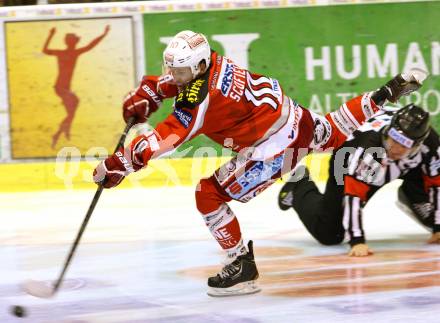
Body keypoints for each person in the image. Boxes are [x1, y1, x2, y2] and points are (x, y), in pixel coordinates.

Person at [92, 30, 423, 296]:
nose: (173, 75)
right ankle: (386, 93)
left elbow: (163, 139)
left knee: (208, 195)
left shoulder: (200, 99)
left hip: (272, 148)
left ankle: (241, 265)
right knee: (335, 128)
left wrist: (118, 165)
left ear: (200, 67)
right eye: (172, 68)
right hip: (295, 118)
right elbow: (174, 82)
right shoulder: (213, 63)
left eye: (180, 71)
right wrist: (150, 92)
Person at [278, 104, 440, 257]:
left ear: (418, 145)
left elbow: (437, 184)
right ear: (388, 131)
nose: (395, 149)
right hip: (347, 158)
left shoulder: (431, 145)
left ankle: (411, 195)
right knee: (329, 234)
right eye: (393, 139)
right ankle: (299, 185)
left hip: (405, 164)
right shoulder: (369, 152)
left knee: (433, 217)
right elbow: (354, 196)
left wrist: (438, 226)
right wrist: (357, 241)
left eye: (404, 145)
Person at [42, 25, 110, 148]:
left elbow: (45, 50)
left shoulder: (64, 53)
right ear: (73, 42)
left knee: (72, 111)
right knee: (72, 110)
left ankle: (61, 132)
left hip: (63, 88)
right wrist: (104, 34)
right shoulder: (73, 53)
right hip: (61, 88)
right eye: (76, 40)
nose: (77, 42)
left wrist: (51, 34)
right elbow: (91, 45)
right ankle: (60, 132)